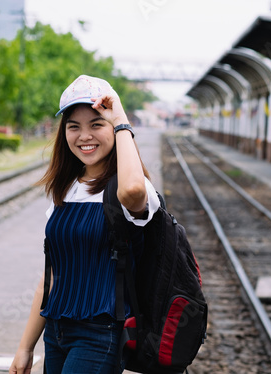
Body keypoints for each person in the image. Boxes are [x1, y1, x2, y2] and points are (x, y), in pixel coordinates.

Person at [9, 75, 160, 374]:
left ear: (114, 129)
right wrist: (26, 347)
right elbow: (51, 277)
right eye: (73, 126)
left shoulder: (132, 188)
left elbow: (132, 191)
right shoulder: (66, 189)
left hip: (100, 334)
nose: (84, 136)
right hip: (56, 333)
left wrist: (121, 120)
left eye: (96, 124)